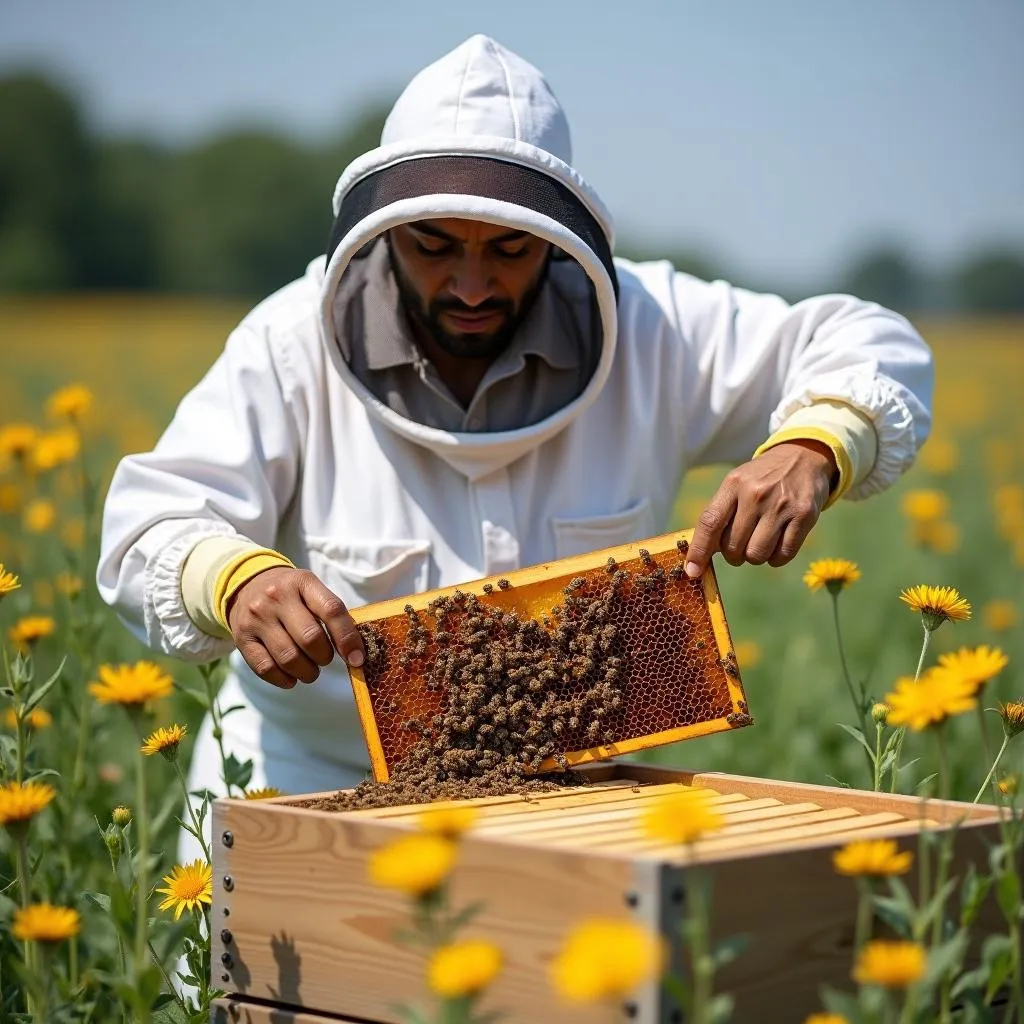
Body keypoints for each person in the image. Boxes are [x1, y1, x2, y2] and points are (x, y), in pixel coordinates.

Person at [97, 35, 933, 843]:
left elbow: (868, 340)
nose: (469, 284)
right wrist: (233, 577)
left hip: (569, 807)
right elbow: (150, 523)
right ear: (385, 231)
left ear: (558, 242)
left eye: (507, 248)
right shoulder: (286, 345)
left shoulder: (655, 328)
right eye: (433, 246)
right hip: (311, 784)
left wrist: (816, 445)